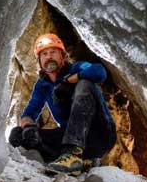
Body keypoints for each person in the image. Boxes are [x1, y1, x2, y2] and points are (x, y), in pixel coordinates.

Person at [8, 33, 117, 174]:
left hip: (100, 134)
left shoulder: (77, 68)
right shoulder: (43, 85)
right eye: (44, 54)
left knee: (85, 84)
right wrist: (28, 127)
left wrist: (72, 79)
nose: (49, 56)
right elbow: (30, 112)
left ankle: (73, 154)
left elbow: (99, 71)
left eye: (53, 52)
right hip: (69, 135)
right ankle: (82, 161)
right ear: (39, 61)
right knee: (18, 134)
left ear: (63, 56)